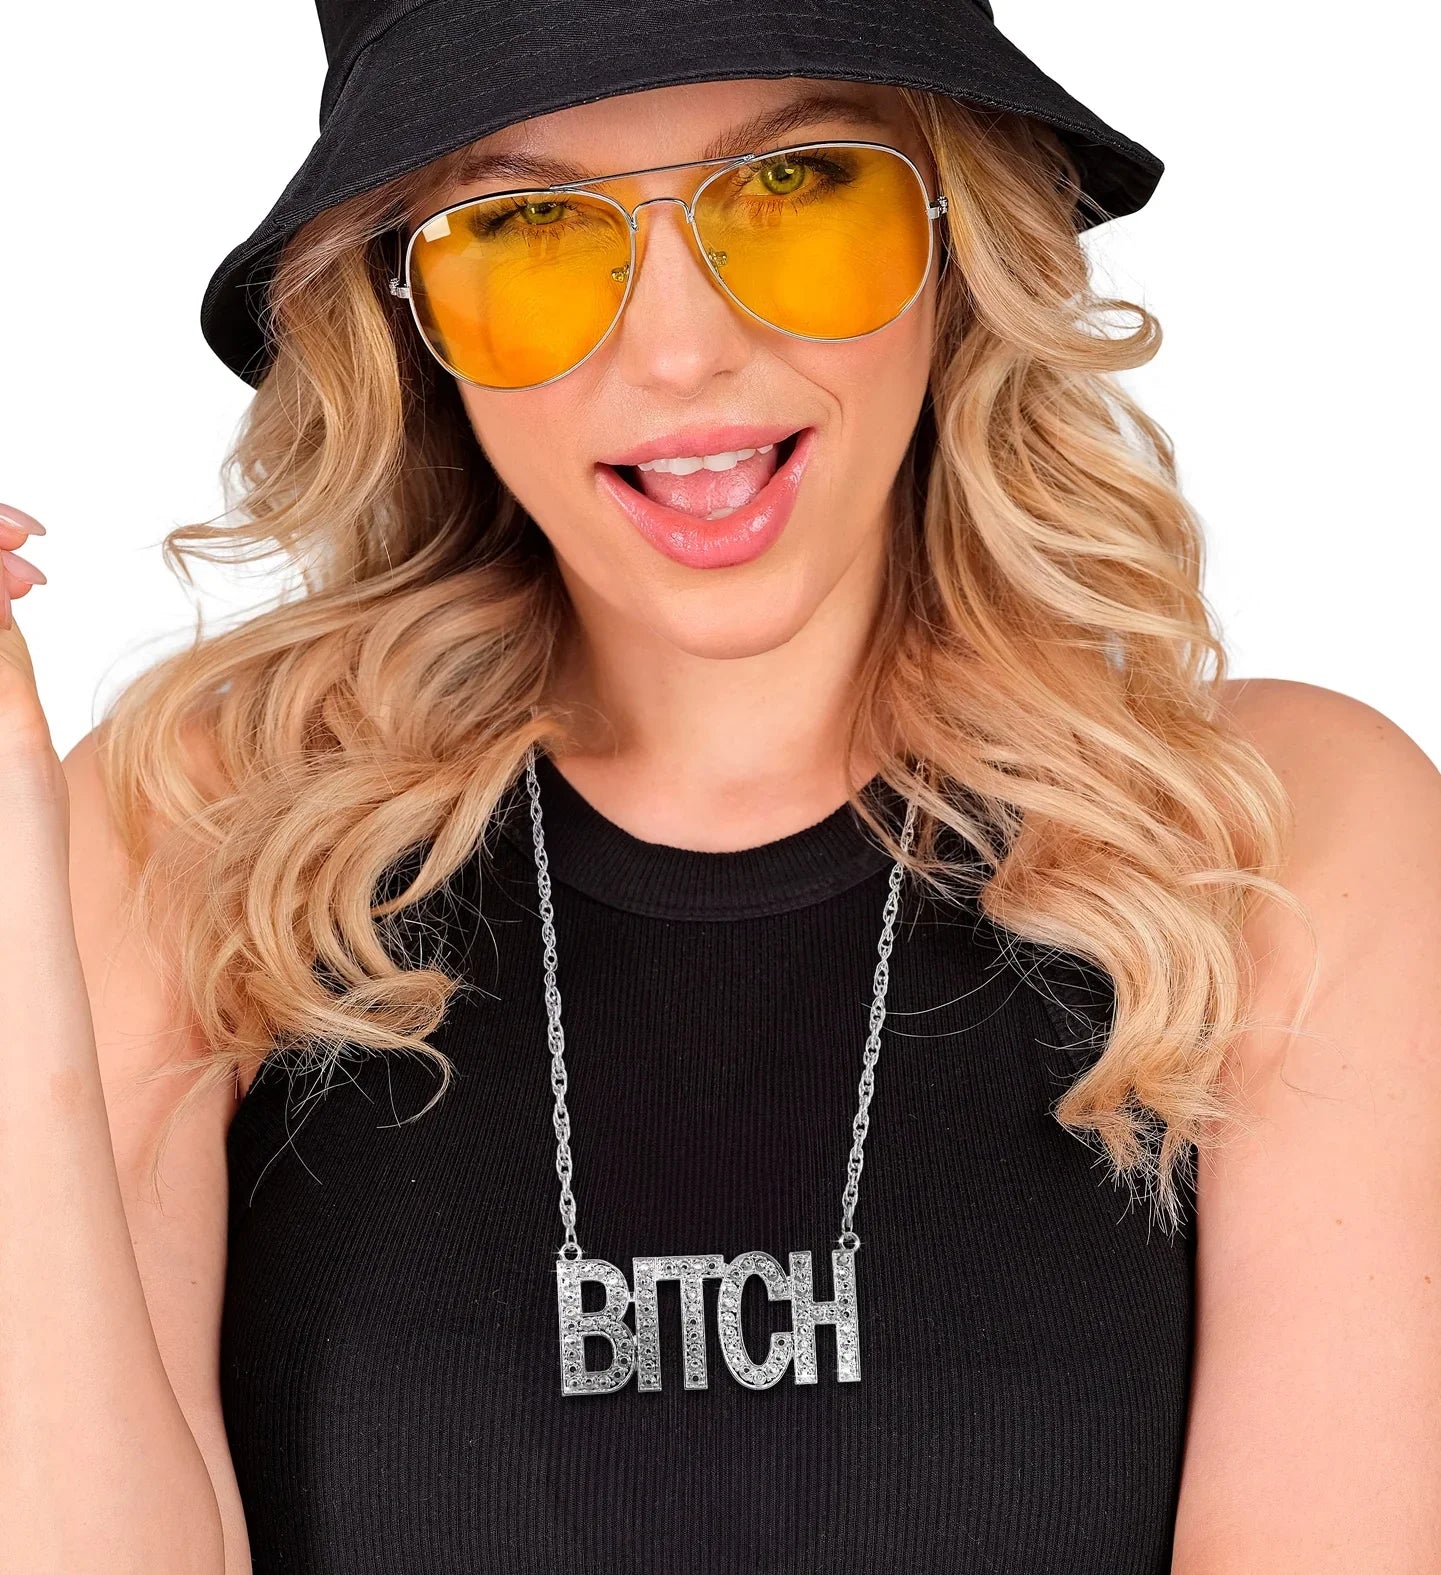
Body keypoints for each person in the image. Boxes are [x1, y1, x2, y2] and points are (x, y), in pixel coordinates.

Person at [2, 2, 1439, 1571]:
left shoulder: (1276, 834)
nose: (681, 350)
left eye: (796, 188)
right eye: (528, 229)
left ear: (959, 242)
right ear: (403, 316)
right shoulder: (198, 834)